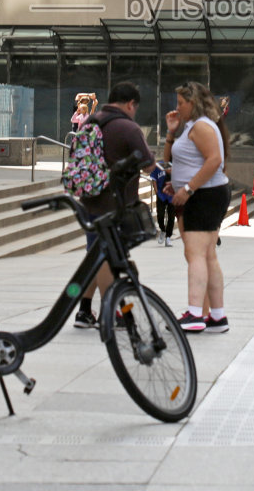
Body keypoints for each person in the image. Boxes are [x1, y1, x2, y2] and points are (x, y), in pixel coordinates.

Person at [73, 82, 154, 328]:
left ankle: (84, 311)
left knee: (95, 256)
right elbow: (149, 165)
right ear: (130, 104)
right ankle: (115, 312)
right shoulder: (128, 128)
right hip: (116, 206)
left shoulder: (90, 122)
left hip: (89, 201)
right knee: (107, 260)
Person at [162, 81, 230, 333]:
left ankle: (194, 313)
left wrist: (188, 188)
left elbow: (214, 160)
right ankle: (217, 316)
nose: (177, 107)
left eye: (181, 103)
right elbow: (172, 161)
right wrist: (172, 132)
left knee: (197, 255)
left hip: (203, 195)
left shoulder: (201, 126)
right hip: (205, 194)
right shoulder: (194, 126)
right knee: (207, 255)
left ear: (194, 103)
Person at [149, 159, 175, 246]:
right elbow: (154, 180)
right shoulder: (158, 166)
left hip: (172, 195)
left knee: (171, 217)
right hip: (161, 194)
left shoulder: (175, 165)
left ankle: (168, 237)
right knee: (160, 215)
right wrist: (157, 192)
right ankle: (163, 230)